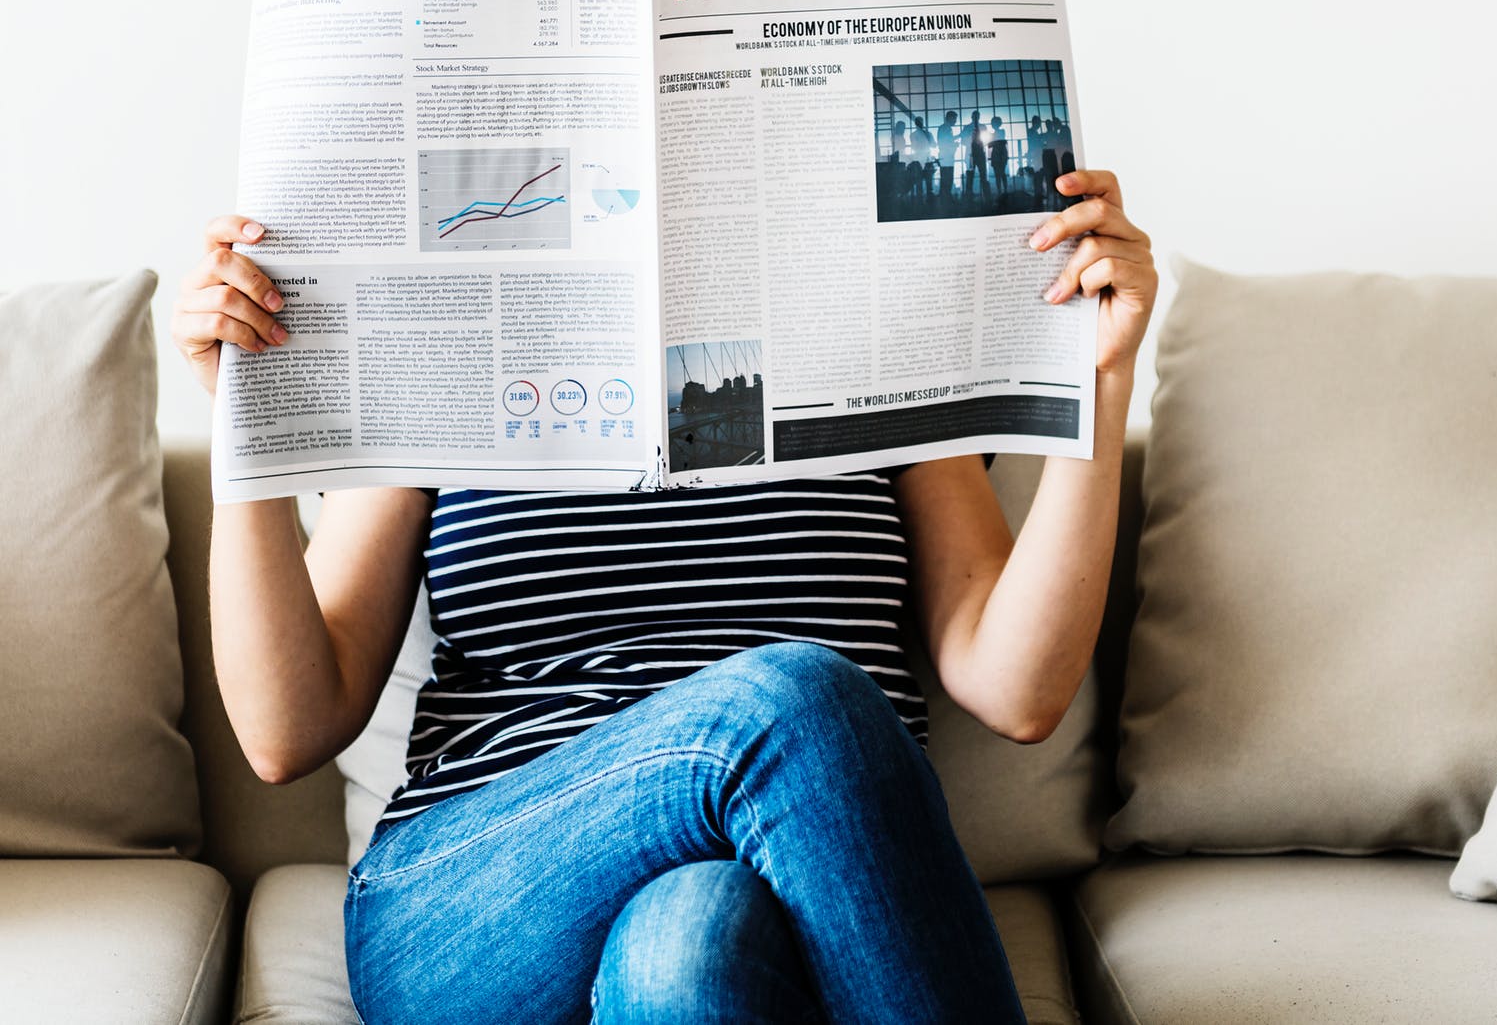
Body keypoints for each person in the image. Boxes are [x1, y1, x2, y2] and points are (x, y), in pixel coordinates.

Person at [169, 171, 1156, 1025]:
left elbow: (1018, 690)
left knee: (686, 945)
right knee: (793, 702)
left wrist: (1102, 379)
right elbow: (285, 732)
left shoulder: (873, 330)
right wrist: (245, 424)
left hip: (776, 892)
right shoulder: (453, 333)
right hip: (474, 898)